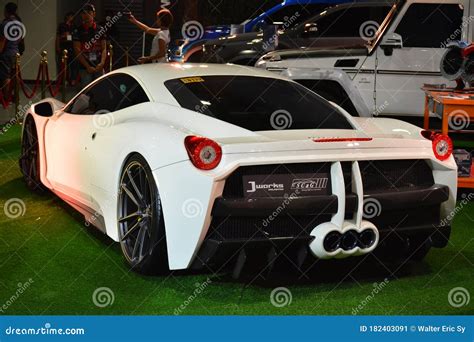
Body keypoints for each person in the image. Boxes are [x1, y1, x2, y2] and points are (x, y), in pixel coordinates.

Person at [73, 4, 107, 87]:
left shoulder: (101, 29)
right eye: (84, 13)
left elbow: (104, 48)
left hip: (98, 66)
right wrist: (87, 66)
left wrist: (102, 63)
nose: (86, 15)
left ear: (94, 14)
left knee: (101, 89)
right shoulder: (77, 31)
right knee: (86, 92)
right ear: (81, 15)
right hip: (84, 68)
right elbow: (77, 50)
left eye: (89, 12)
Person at [0, 2, 23, 92]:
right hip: (15, 52)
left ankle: (6, 98)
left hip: (6, 53)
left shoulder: (5, 24)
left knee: (6, 76)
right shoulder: (19, 23)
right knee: (15, 75)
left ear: (6, 11)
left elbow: (2, 40)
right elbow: (20, 38)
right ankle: (15, 96)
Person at [56, 12, 78, 86]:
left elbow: (75, 37)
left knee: (73, 64)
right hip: (63, 47)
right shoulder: (61, 25)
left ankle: (73, 80)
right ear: (67, 17)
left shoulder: (74, 26)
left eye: (73, 16)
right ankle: (64, 80)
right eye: (71, 16)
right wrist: (58, 47)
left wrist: (69, 36)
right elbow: (58, 36)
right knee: (63, 65)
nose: (72, 18)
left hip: (72, 47)